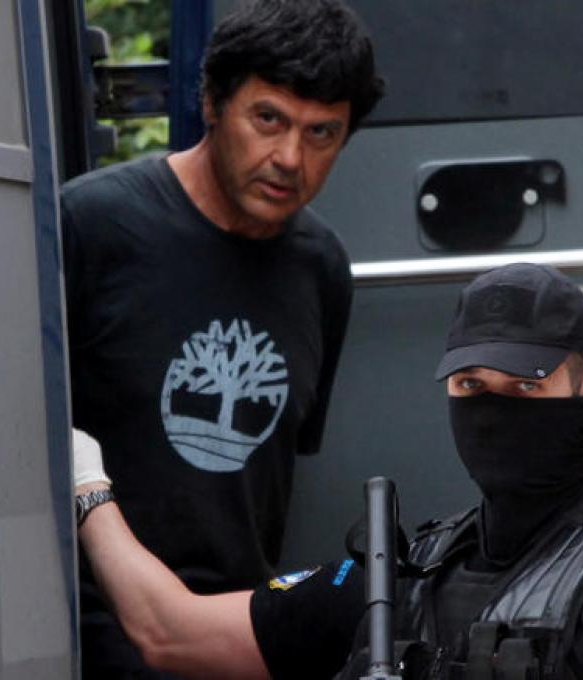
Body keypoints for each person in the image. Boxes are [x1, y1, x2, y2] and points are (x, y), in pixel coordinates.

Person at [72, 262, 583, 679]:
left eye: (526, 386)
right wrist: (88, 487)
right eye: (471, 385)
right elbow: (171, 632)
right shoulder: (402, 578)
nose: (494, 413)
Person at [61, 0, 384, 676]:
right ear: (211, 103)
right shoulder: (91, 226)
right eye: (268, 119)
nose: (289, 157)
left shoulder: (322, 268)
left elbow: (269, 477)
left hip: (233, 644)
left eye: (321, 133)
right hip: (87, 642)